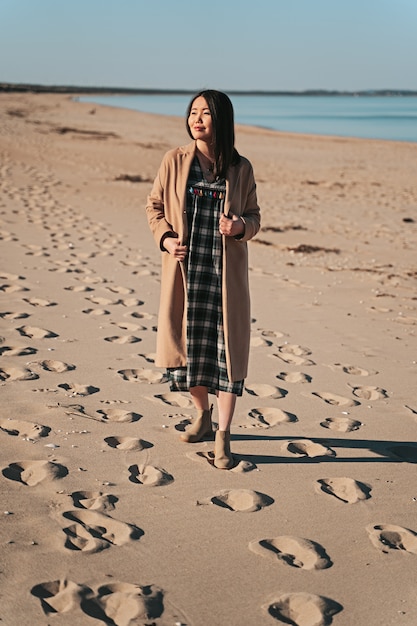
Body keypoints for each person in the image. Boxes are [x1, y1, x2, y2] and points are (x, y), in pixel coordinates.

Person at [146, 89, 260, 469]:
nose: (197, 119)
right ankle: (202, 415)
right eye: (193, 112)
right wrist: (165, 238)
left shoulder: (241, 168)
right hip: (186, 274)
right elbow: (155, 206)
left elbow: (255, 217)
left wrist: (240, 225)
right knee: (190, 353)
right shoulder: (174, 160)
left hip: (225, 279)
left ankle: (223, 437)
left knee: (227, 359)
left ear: (221, 120)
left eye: (206, 113)